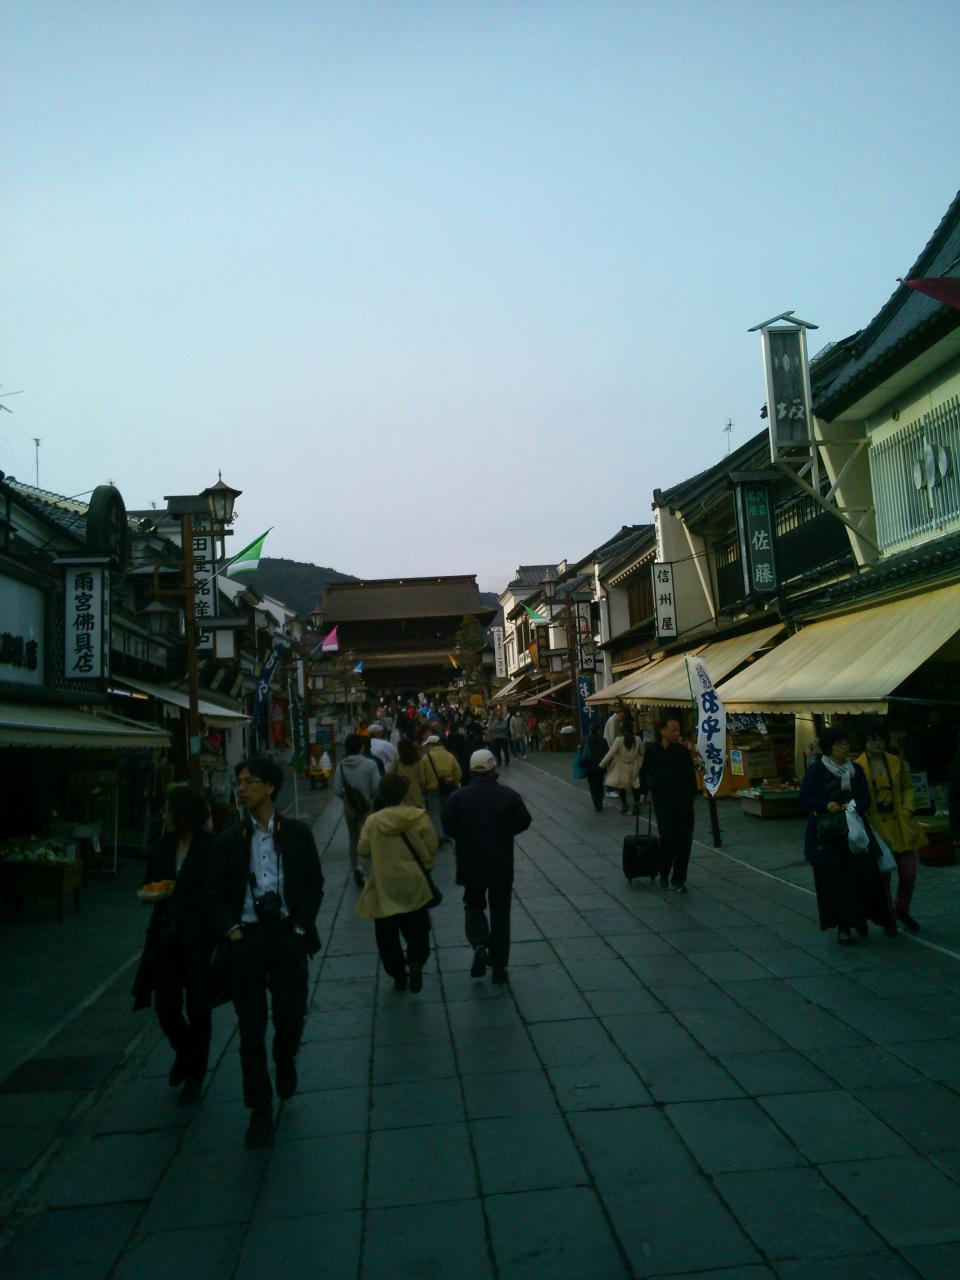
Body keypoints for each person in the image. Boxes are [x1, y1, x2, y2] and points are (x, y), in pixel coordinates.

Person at [207, 757, 324, 1148]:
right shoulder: (228, 840)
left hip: (288, 937)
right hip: (248, 941)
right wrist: (232, 930)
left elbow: (314, 884)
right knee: (250, 1029)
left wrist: (302, 925)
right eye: (239, 782)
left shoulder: (297, 833)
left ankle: (285, 1057)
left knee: (290, 1015)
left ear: (270, 787)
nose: (241, 788)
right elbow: (214, 893)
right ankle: (259, 1108)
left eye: (249, 781)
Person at [132, 786, 215, 1107]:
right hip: (166, 936)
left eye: (168, 810)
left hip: (199, 937)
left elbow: (217, 890)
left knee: (198, 1007)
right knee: (166, 1007)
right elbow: (151, 880)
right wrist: (154, 892)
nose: (163, 815)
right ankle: (185, 1052)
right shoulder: (163, 845)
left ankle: (195, 1074)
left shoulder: (210, 847)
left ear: (183, 814)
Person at [441, 748, 531, 984]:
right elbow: (524, 821)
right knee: (501, 914)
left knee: (473, 905)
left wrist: (465, 835)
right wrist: (505, 832)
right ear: (493, 769)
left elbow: (448, 826)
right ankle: (499, 966)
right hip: (501, 863)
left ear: (471, 770)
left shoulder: (457, 798)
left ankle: (480, 945)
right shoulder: (509, 795)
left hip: (470, 862)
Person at [799, 726, 893, 945]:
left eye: (846, 743)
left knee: (863, 876)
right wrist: (825, 804)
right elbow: (805, 796)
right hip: (828, 833)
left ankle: (864, 919)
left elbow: (865, 797)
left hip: (855, 830)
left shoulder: (855, 769)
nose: (844, 747)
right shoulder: (817, 770)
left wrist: (853, 805)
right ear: (829, 747)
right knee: (835, 880)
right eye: (839, 744)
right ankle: (843, 926)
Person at [356, 773, 439, 993]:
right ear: (404, 794)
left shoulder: (373, 821)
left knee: (387, 936)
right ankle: (416, 960)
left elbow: (362, 849)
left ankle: (398, 973)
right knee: (418, 929)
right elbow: (431, 847)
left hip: (384, 885)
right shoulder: (418, 817)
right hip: (414, 883)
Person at [856, 722, 923, 931]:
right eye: (871, 739)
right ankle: (888, 917)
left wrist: (907, 809)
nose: (877, 743)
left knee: (909, 873)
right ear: (864, 742)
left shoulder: (895, 762)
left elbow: (907, 788)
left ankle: (902, 908)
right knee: (883, 876)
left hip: (900, 824)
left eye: (880, 739)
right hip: (876, 826)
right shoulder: (857, 767)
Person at [638, 716, 698, 892]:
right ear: (663, 731)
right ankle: (664, 871)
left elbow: (690, 777)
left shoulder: (682, 752)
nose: (677, 733)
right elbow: (644, 772)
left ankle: (679, 880)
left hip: (683, 803)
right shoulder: (652, 750)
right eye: (674, 730)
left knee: (684, 843)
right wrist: (643, 791)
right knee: (667, 839)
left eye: (678, 730)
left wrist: (690, 797)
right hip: (662, 802)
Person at [334, 734, 382, 887]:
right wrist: (370, 798)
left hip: (349, 807)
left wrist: (347, 798)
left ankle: (356, 868)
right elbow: (376, 787)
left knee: (353, 838)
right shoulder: (370, 764)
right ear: (361, 747)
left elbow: (336, 789)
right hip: (366, 806)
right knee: (367, 837)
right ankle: (366, 869)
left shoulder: (341, 766)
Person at [421, 733, 462, 840]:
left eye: (427, 745)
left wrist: (424, 788)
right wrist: (453, 781)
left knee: (435, 813)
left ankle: (440, 836)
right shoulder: (449, 755)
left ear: (431, 744)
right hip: (448, 788)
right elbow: (458, 773)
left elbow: (422, 776)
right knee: (446, 811)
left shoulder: (426, 758)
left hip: (432, 789)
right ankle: (448, 833)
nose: (426, 747)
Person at [600, 721, 644, 814]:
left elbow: (611, 753)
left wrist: (602, 764)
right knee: (635, 787)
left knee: (621, 787)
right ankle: (636, 807)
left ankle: (625, 806)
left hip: (621, 766)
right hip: (634, 766)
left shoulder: (619, 740)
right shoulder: (638, 739)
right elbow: (642, 752)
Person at [579, 723, 610, 811]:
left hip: (589, 767)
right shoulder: (603, 740)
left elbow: (581, 753)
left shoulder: (586, 740)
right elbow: (607, 753)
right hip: (600, 766)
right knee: (600, 785)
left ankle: (596, 802)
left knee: (592, 786)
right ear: (599, 730)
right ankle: (600, 802)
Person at [390, 736, 428, 808]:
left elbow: (390, 775)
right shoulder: (417, 761)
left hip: (401, 795)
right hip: (416, 794)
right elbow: (422, 779)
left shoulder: (397, 761)